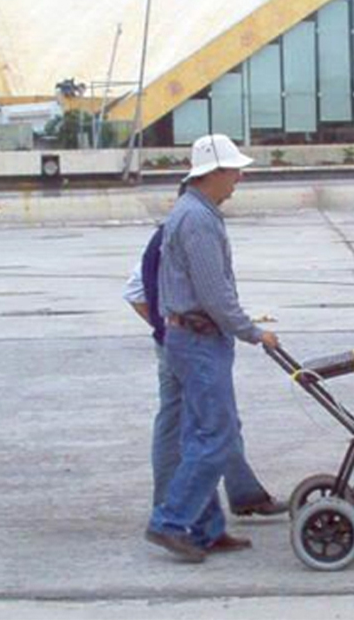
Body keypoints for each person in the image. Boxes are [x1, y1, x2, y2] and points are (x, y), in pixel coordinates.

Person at [144, 134, 280, 563]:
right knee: (216, 436)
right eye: (234, 171)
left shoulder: (190, 212)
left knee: (198, 434)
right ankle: (170, 522)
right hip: (200, 340)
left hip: (188, 337)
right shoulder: (198, 220)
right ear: (212, 173)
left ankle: (205, 530)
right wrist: (253, 332)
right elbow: (214, 295)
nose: (239, 178)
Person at [123, 220, 287, 520]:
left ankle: (243, 493)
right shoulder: (181, 236)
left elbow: (136, 292)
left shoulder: (171, 234)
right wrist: (172, 329)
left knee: (218, 421)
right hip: (188, 345)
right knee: (190, 426)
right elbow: (137, 293)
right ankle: (171, 509)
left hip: (184, 342)